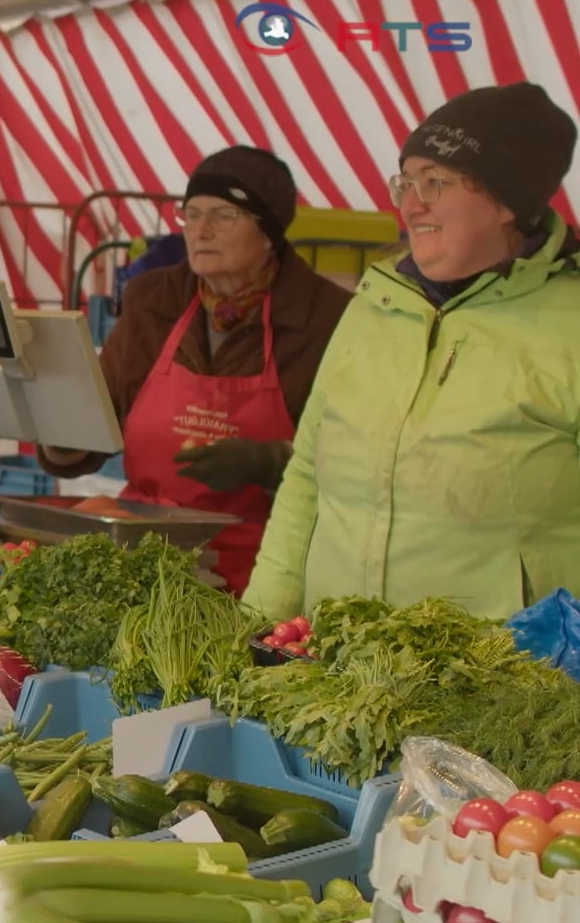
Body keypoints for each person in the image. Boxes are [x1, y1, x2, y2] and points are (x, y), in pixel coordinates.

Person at [247, 83, 580, 621]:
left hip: (504, 688)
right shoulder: (374, 302)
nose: (410, 203)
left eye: (436, 182)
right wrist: (258, 623)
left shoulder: (571, 325)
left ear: (507, 203)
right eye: (406, 181)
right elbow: (307, 474)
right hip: (339, 667)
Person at [39, 146, 352, 593]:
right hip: (140, 558)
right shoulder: (154, 300)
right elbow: (94, 427)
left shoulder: (325, 318)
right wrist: (59, 428)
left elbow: (353, 460)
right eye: (192, 213)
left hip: (262, 568)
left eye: (223, 215)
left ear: (269, 231)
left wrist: (270, 462)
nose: (201, 230)